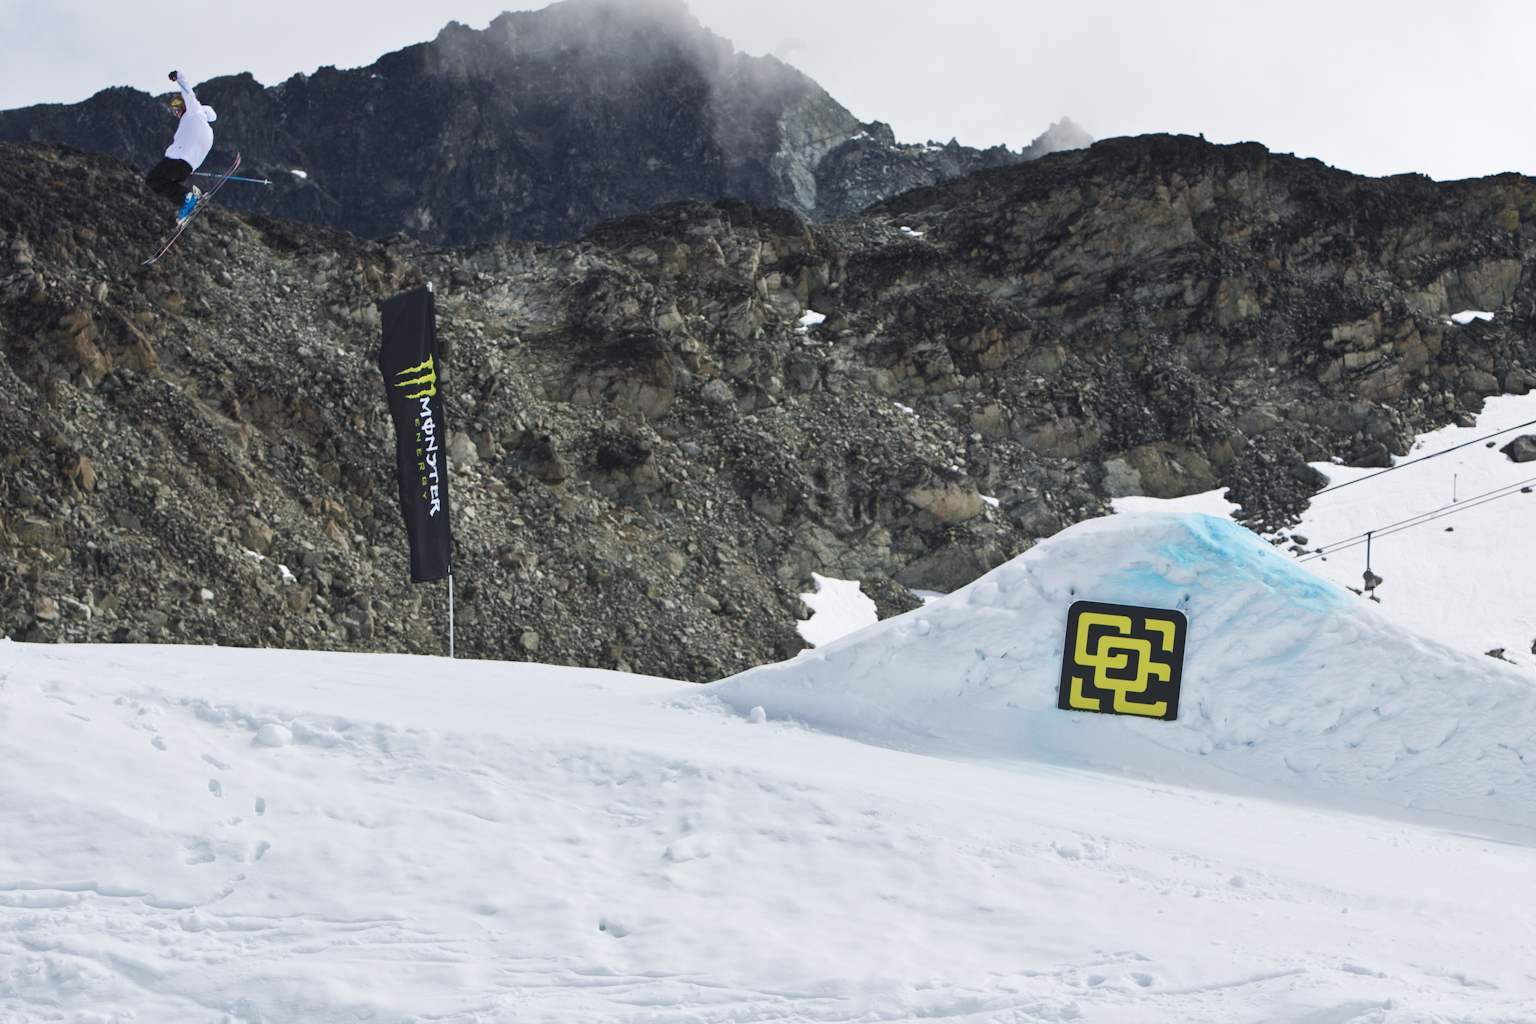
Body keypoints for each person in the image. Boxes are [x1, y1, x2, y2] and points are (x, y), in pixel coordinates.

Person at [144, 71, 217, 223]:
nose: (176, 113)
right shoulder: (205, 129)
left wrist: (178, 76)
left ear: (184, 105)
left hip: (176, 161)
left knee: (152, 180)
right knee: (162, 182)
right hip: (185, 167)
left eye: (177, 107)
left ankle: (187, 199)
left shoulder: (193, 112)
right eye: (173, 110)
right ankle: (187, 200)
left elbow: (188, 91)